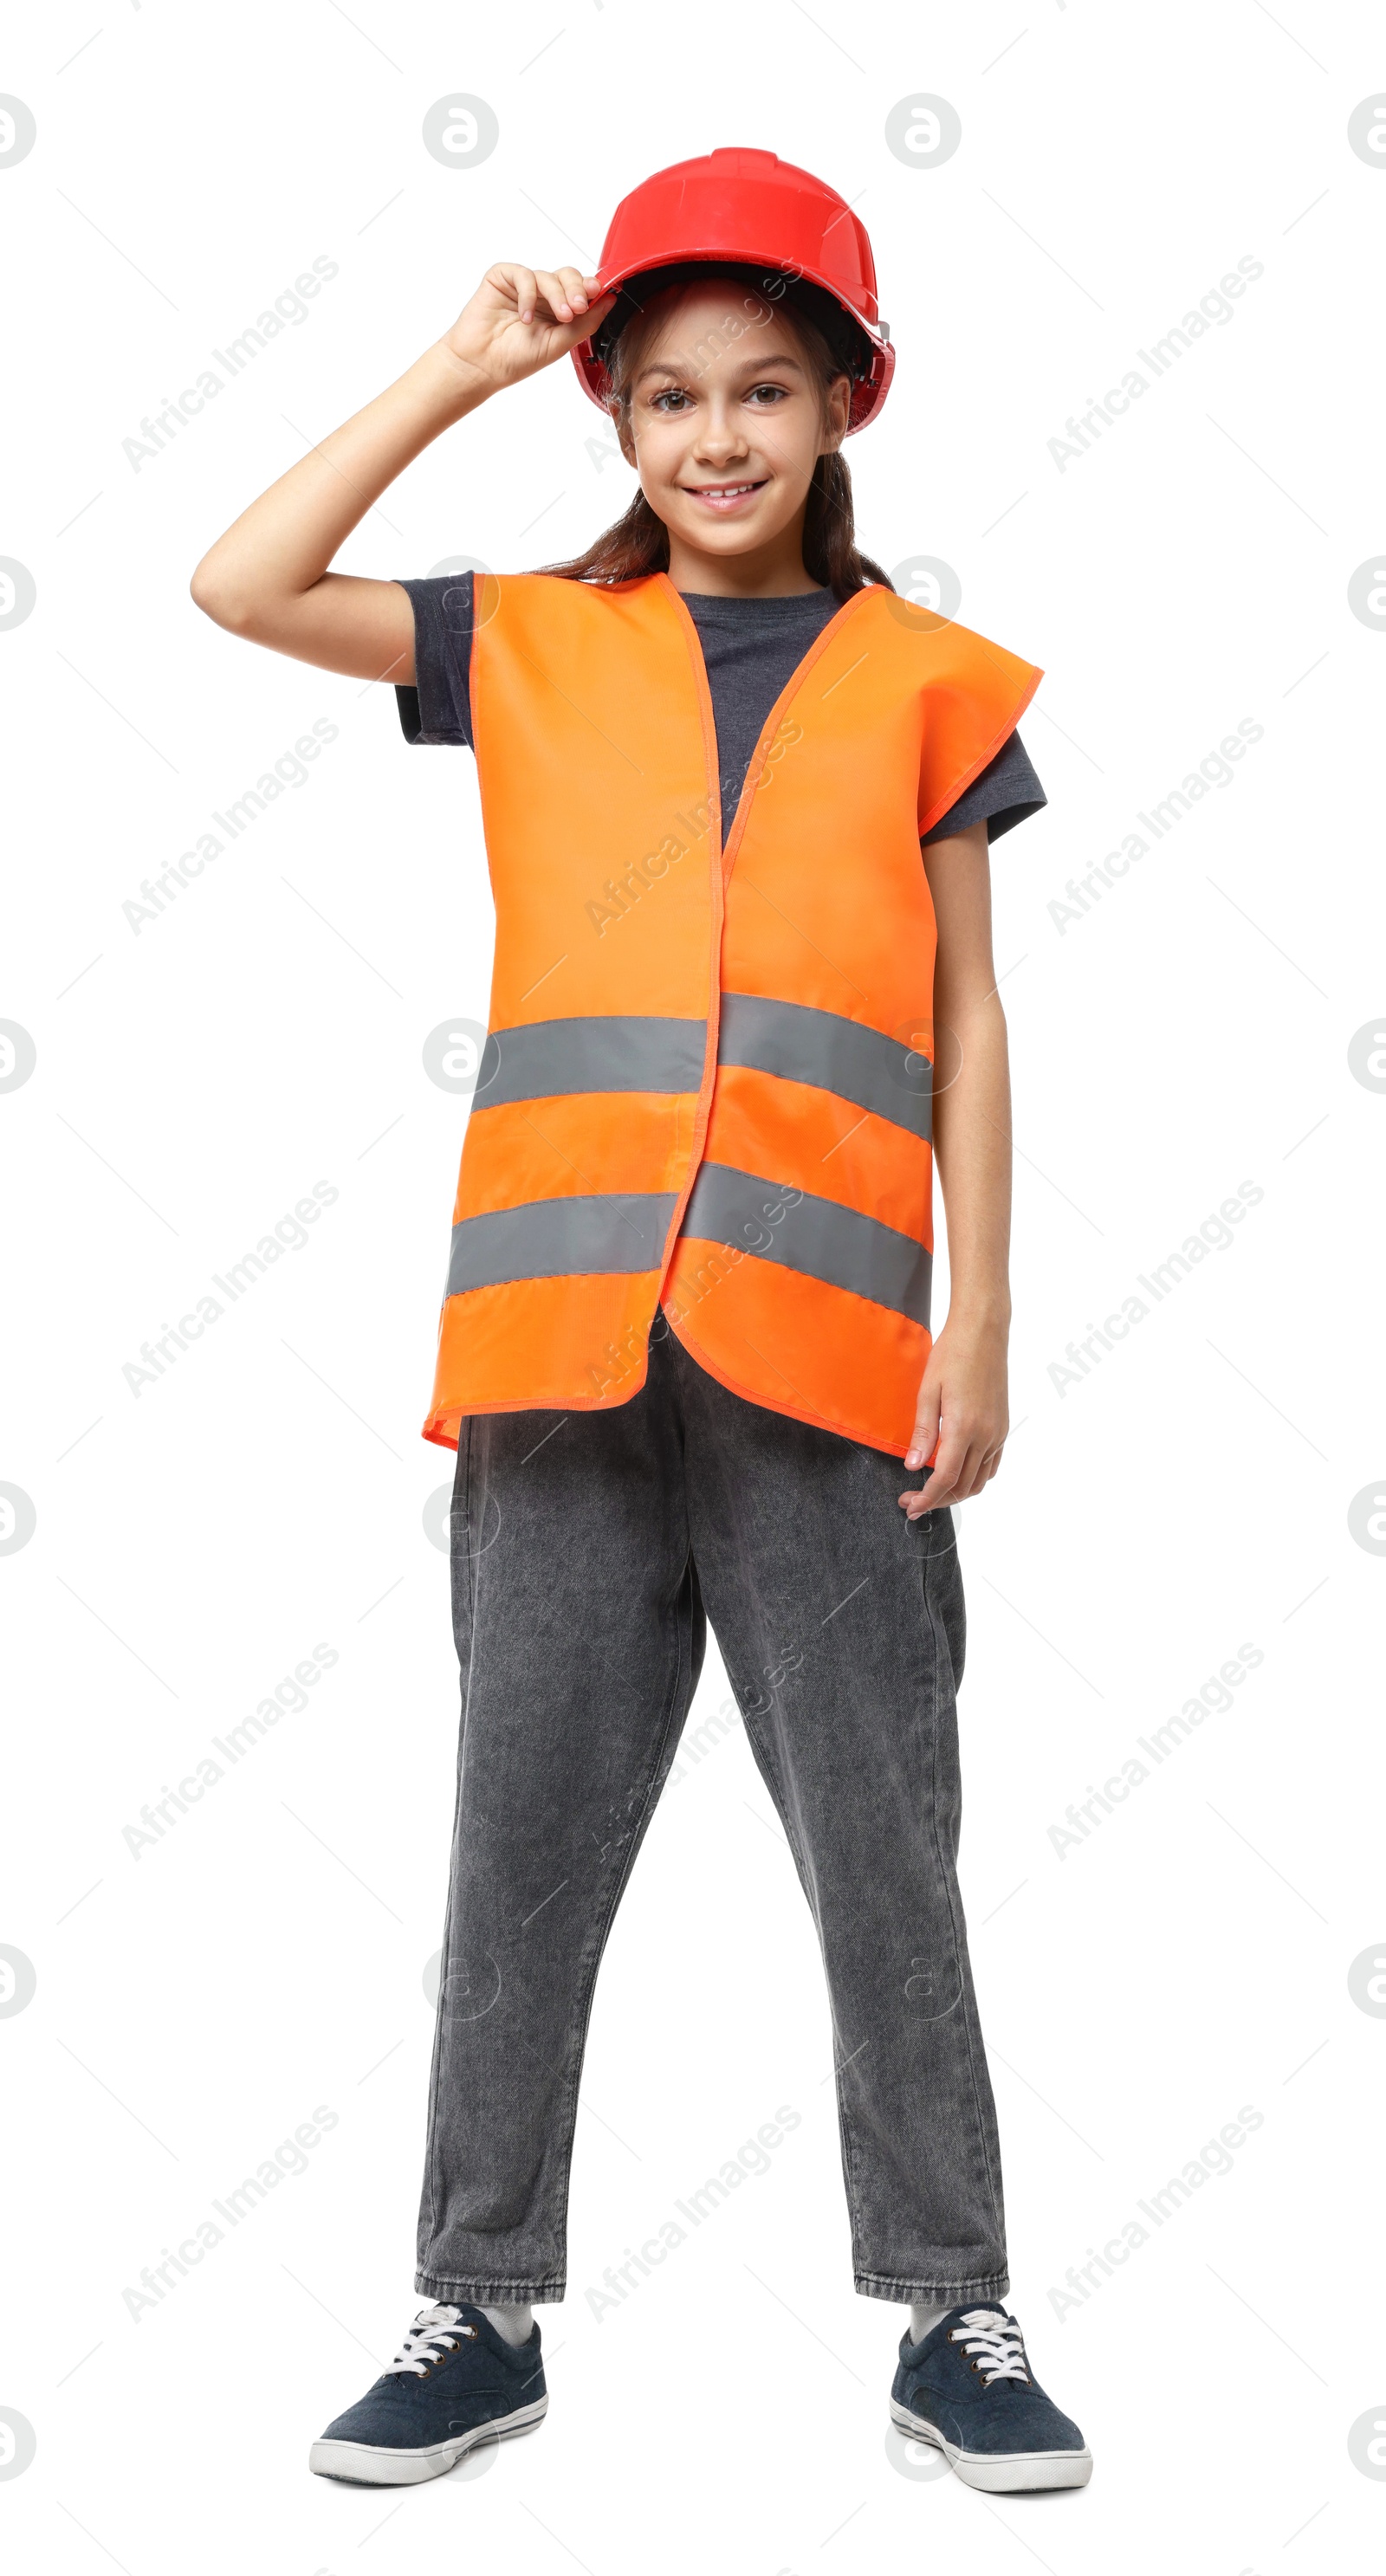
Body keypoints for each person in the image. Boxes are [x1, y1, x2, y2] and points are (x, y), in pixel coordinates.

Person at [191, 147, 1091, 2497]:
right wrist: (457, 368)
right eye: (669, 394)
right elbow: (240, 581)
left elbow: (973, 1024)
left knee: (887, 1850)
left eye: (765, 391)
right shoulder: (532, 641)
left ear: (842, 404)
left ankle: (954, 2311)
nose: (715, 437)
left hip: (826, 1368)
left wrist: (979, 1321)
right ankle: (473, 2308)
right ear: (613, 412)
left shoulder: (925, 686)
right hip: (562, 1365)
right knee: (518, 1850)